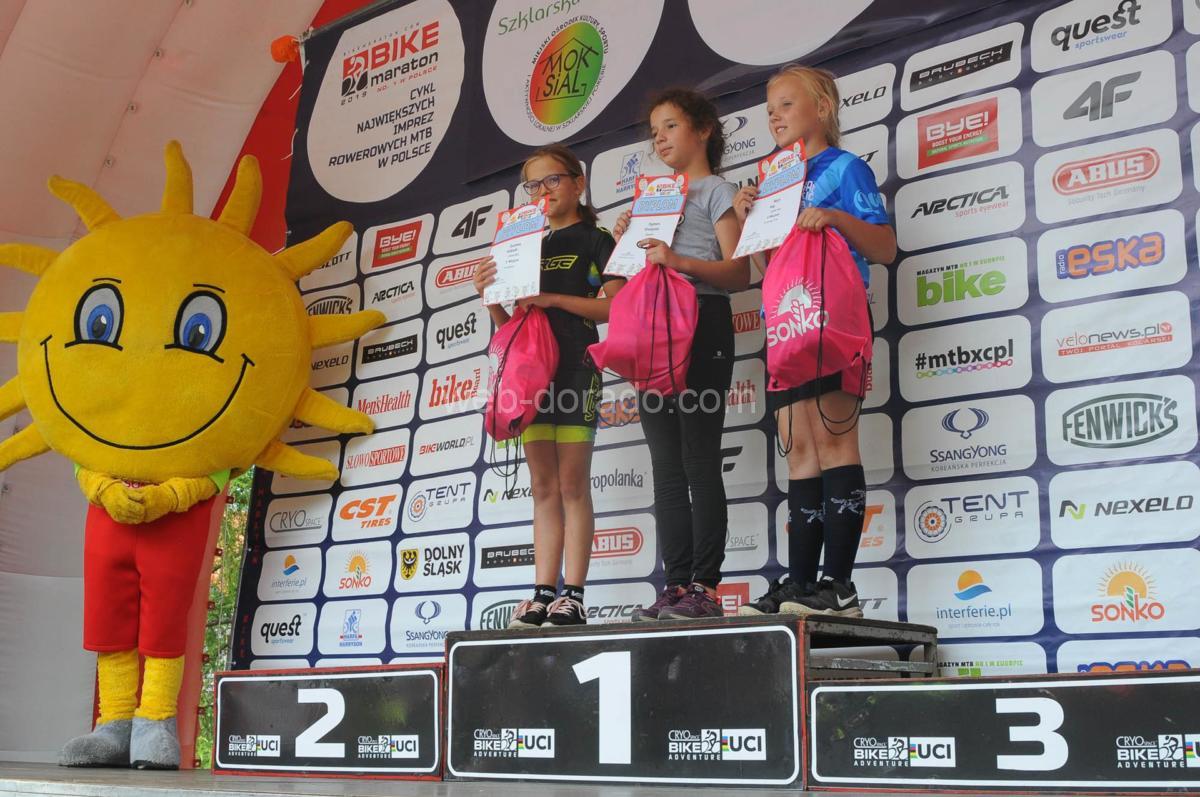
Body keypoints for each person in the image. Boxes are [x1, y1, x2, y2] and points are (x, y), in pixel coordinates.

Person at [734, 65, 896, 618]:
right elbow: (767, 268)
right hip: (786, 319)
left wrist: (832, 218)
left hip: (834, 315)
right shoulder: (774, 180)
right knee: (799, 452)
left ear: (822, 107)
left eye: (786, 104)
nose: (774, 117)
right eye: (769, 110)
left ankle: (840, 587)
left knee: (834, 445)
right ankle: (803, 584)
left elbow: (885, 247)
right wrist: (750, 220)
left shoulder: (846, 168)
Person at [612, 88, 750, 621]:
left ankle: (705, 588)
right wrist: (628, 242)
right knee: (665, 466)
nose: (660, 139)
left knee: (698, 458)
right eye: (654, 132)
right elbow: (622, 282)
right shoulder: (652, 199)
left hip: (702, 322)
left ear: (703, 130)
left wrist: (678, 261)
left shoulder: (717, 189)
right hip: (653, 329)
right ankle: (674, 586)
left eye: (670, 125)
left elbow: (739, 272)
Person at [473, 143, 624, 628]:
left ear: (578, 183)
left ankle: (573, 595)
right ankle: (542, 592)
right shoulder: (523, 245)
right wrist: (489, 297)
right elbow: (510, 329)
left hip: (578, 367)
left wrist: (554, 299)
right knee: (542, 486)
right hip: (530, 376)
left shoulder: (597, 238)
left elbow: (617, 308)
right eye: (532, 185)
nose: (543, 191)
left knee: (572, 484)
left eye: (552, 180)